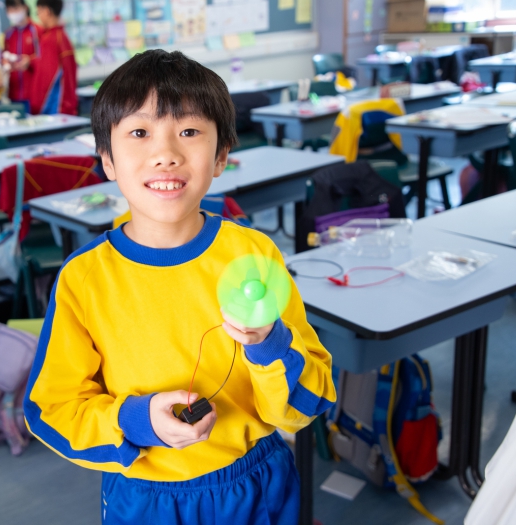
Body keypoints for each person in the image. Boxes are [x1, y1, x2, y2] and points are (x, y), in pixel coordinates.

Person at [23, 50, 336, 525]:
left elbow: (308, 402)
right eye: (139, 133)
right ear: (107, 160)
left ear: (221, 156)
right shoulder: (83, 279)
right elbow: (52, 409)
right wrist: (135, 421)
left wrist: (269, 344)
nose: (166, 153)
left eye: (189, 131)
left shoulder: (253, 255)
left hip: (257, 484)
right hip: (147, 499)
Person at [29, 0, 76, 115]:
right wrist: (30, 61)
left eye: (38, 12)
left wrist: (66, 107)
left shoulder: (57, 39)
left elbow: (63, 76)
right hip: (46, 106)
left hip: (54, 108)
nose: (38, 16)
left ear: (46, 11)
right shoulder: (47, 37)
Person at [2, 0, 39, 112]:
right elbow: (4, 55)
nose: (13, 13)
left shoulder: (36, 30)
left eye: (15, 9)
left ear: (25, 8)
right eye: (9, 10)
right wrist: (5, 62)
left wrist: (29, 61)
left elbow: (45, 59)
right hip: (14, 93)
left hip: (33, 92)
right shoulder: (8, 34)